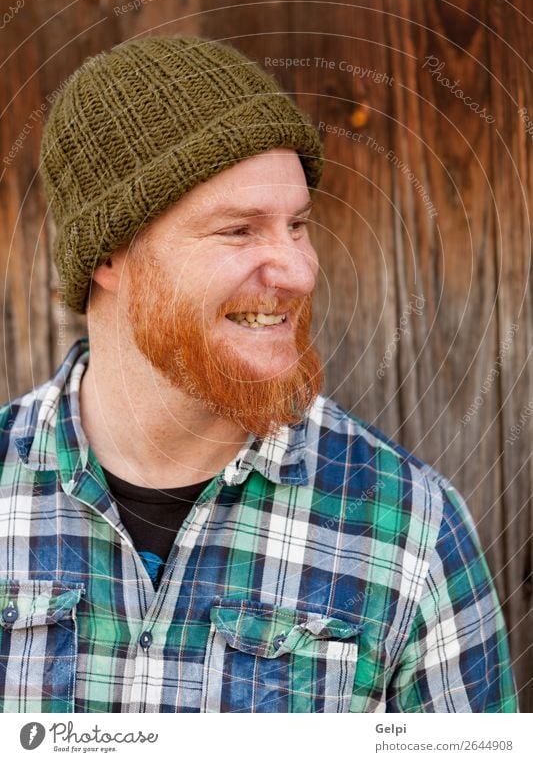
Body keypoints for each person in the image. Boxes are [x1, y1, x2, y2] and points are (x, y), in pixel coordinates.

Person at [0, 35, 517, 714]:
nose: (300, 271)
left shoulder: (409, 526)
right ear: (109, 255)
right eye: (239, 230)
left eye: (297, 224)